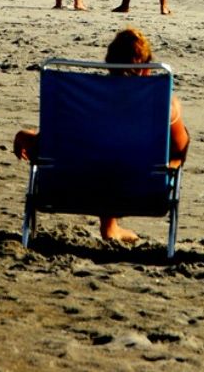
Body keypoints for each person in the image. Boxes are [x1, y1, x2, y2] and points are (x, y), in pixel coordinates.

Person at [13, 26, 190, 244]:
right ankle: (111, 227)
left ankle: (110, 225)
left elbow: (46, 147)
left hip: (71, 188)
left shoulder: (81, 100)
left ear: (109, 64)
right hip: (142, 192)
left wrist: (24, 136)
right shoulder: (165, 106)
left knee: (100, 149)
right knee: (122, 153)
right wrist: (162, 168)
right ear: (147, 70)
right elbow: (180, 150)